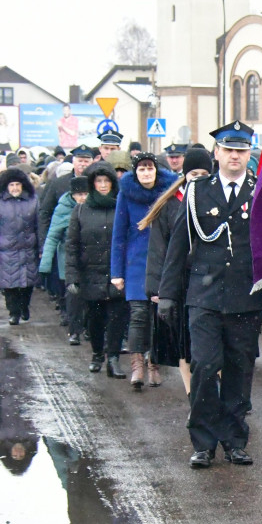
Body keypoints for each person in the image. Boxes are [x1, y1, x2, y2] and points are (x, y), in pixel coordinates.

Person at [158, 121, 262, 468]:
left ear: (249, 153)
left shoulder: (260, 189)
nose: (235, 156)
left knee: (239, 368)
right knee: (204, 365)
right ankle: (203, 442)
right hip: (203, 295)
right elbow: (179, 245)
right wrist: (168, 294)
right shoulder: (196, 192)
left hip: (245, 296)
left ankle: (234, 439)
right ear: (217, 153)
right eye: (229, 150)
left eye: (242, 150)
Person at [139, 147, 214, 394]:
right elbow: (159, 250)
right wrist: (157, 288)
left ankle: (216, 393)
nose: (199, 177)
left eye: (205, 172)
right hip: (180, 283)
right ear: (184, 175)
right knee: (185, 346)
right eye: (194, 173)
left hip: (211, 282)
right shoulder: (170, 205)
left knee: (212, 346)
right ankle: (193, 395)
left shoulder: (219, 203)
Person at [112, 153, 177, 388]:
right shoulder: (126, 194)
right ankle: (137, 364)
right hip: (136, 264)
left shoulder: (169, 193)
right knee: (138, 316)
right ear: (135, 173)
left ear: (157, 171)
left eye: (150, 168)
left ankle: (154, 363)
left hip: (162, 262)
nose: (146, 173)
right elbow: (118, 235)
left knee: (158, 317)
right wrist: (116, 272)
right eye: (141, 169)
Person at [66, 164, 129, 378]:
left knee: (117, 318)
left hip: (116, 273)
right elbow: (72, 244)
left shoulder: (122, 206)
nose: (103, 186)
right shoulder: (81, 209)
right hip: (90, 273)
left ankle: (113, 358)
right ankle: (96, 354)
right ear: (93, 185)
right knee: (95, 318)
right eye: (98, 182)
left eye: (106, 181)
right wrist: (72, 276)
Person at [0, 168, 39, 325]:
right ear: (6, 187)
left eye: (18, 184)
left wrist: (41, 248)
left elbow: (39, 226)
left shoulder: (33, 201)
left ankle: (24, 307)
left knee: (28, 284)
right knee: (9, 285)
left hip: (28, 248)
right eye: (11, 185)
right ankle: (13, 312)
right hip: (6, 250)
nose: (15, 188)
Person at [40, 176, 89, 345]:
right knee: (73, 296)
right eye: (79, 194)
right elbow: (53, 235)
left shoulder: (93, 208)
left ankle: (88, 328)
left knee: (90, 297)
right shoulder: (63, 208)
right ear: (72, 194)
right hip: (68, 259)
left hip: (91, 259)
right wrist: (45, 264)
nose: (83, 198)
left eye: (86, 194)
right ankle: (74, 331)